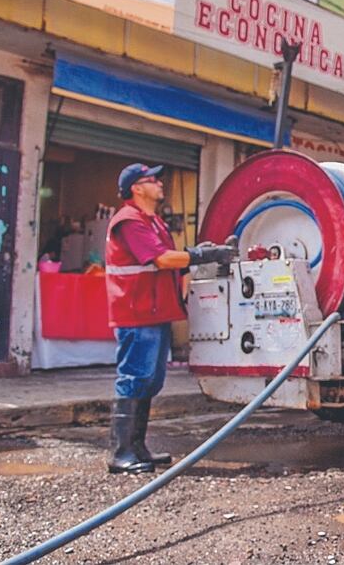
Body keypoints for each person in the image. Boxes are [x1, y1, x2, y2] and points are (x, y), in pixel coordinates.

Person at [105, 163, 236, 474]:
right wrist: (203, 255)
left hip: (155, 311)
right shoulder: (129, 221)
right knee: (135, 378)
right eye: (153, 180)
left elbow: (172, 262)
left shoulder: (154, 223)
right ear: (137, 188)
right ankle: (120, 452)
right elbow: (162, 259)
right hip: (137, 314)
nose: (160, 184)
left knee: (150, 381)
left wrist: (195, 255)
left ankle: (137, 447)